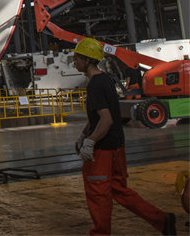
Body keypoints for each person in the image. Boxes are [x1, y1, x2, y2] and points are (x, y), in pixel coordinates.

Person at [73, 37, 176, 236]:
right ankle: (162, 220)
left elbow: (106, 120)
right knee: (120, 191)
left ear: (87, 60)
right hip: (117, 148)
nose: (74, 62)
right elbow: (100, 114)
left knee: (98, 194)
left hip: (103, 152)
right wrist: (84, 134)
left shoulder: (95, 85)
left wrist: (90, 142)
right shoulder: (106, 80)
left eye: (77, 58)